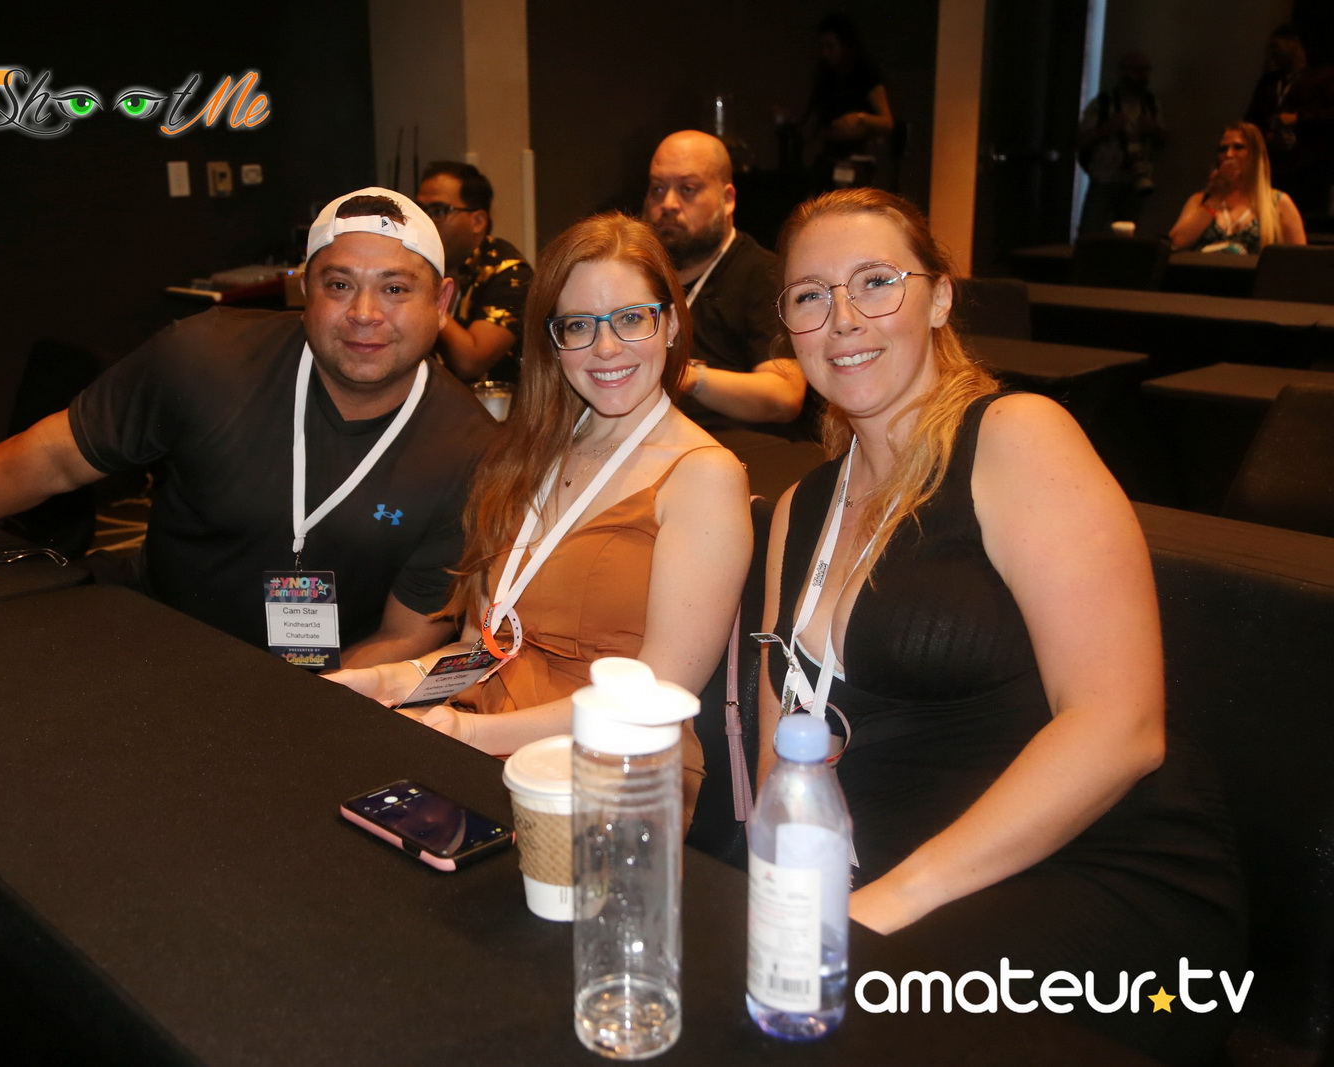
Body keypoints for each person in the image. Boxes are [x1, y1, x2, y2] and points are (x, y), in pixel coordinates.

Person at [759, 188, 1244, 1063]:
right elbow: (779, 752)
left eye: (876, 282)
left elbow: (1122, 727)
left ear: (940, 298)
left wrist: (892, 901)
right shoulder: (801, 507)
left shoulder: (1018, 436)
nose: (843, 319)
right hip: (898, 880)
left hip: (1097, 876)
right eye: (810, 295)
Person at [0, 188, 498, 665]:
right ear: (303, 291)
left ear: (442, 302)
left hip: (327, 683)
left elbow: (407, 635)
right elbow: (50, 457)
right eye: (338, 285)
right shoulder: (206, 356)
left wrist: (292, 706)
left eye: (395, 288)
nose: (365, 315)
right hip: (157, 636)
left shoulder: (472, 452)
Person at [330, 212, 753, 820]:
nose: (605, 348)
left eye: (631, 318)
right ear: (553, 341)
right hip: (483, 737)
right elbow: (487, 649)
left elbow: (660, 691)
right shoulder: (530, 455)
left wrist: (467, 735)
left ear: (670, 323)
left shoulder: (703, 476)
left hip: (611, 774)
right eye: (578, 325)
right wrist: (393, 681)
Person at [643, 130, 805, 435]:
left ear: (727, 199)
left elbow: (785, 395)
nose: (668, 203)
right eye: (657, 189)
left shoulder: (763, 274)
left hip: (741, 450)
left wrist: (689, 377)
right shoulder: (639, 274)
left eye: (688, 189)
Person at [416, 161, 532, 383]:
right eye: (420, 211)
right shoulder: (428, 264)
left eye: (438, 211)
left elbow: (471, 362)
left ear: (478, 221)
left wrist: (423, 291)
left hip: (499, 403)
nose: (425, 223)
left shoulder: (510, 273)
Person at [1169, 122, 1307, 254]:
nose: (1229, 155)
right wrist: (1216, 197)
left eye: (1238, 147)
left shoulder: (1278, 202)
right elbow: (1177, 242)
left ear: (1255, 154)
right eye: (1223, 149)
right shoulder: (1200, 200)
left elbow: (1298, 259)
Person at [1245, 24, 1334, 225]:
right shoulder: (1269, 82)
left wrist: (1299, 118)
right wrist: (1264, 135)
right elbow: (1252, 118)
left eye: (1277, 47)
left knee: (1304, 220)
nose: (1273, 54)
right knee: (1269, 218)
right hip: (1273, 165)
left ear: (1293, 42)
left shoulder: (1323, 76)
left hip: (1310, 166)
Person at [801, 14, 894, 192]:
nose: (825, 53)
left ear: (846, 45)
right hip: (830, 160)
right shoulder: (826, 78)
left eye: (830, 46)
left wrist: (859, 118)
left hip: (858, 161)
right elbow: (814, 126)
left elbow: (887, 122)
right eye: (822, 47)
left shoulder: (866, 76)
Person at [1077, 51, 1165, 235]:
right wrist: (1107, 129)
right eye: (1137, 70)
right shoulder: (1103, 103)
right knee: (1090, 230)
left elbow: (1163, 142)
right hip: (1105, 176)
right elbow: (1081, 140)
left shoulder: (1150, 104)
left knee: (1127, 234)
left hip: (1136, 179)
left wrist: (1153, 130)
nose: (1142, 75)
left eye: (1146, 70)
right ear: (1123, 72)